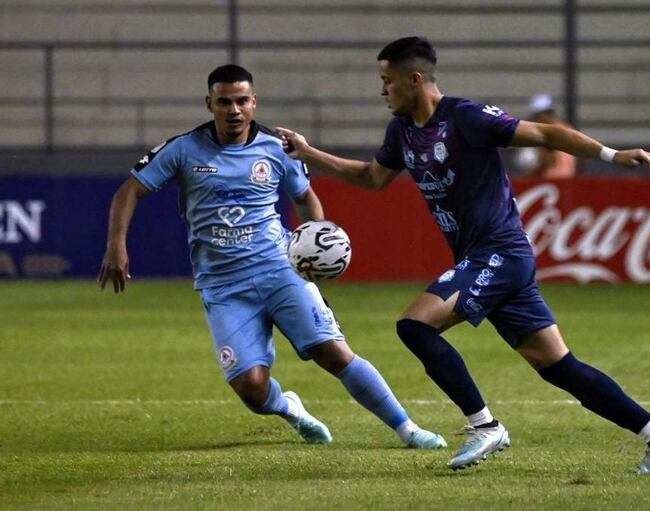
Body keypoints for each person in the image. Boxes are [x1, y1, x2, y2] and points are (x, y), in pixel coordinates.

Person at [276, 36, 650, 473]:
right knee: (558, 367)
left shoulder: (466, 117)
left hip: (500, 252)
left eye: (387, 81)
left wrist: (611, 154)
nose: (382, 91)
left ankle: (485, 426)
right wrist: (309, 153)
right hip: (486, 259)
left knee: (415, 326)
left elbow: (545, 133)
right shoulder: (402, 131)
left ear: (414, 80)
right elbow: (372, 177)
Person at [97, 64, 446, 451]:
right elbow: (129, 191)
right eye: (224, 102)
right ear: (209, 103)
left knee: (333, 352)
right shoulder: (183, 149)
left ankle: (408, 429)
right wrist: (116, 246)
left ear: (254, 102)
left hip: (281, 270)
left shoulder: (276, 148)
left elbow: (305, 197)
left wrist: (317, 243)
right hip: (223, 285)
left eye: (242, 101)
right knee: (251, 388)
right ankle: (290, 408)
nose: (234, 110)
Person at [514, 93, 578, 179]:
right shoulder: (533, 134)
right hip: (546, 181)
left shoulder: (564, 131)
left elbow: (561, 166)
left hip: (563, 180)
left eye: (548, 112)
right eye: (540, 114)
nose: (545, 116)